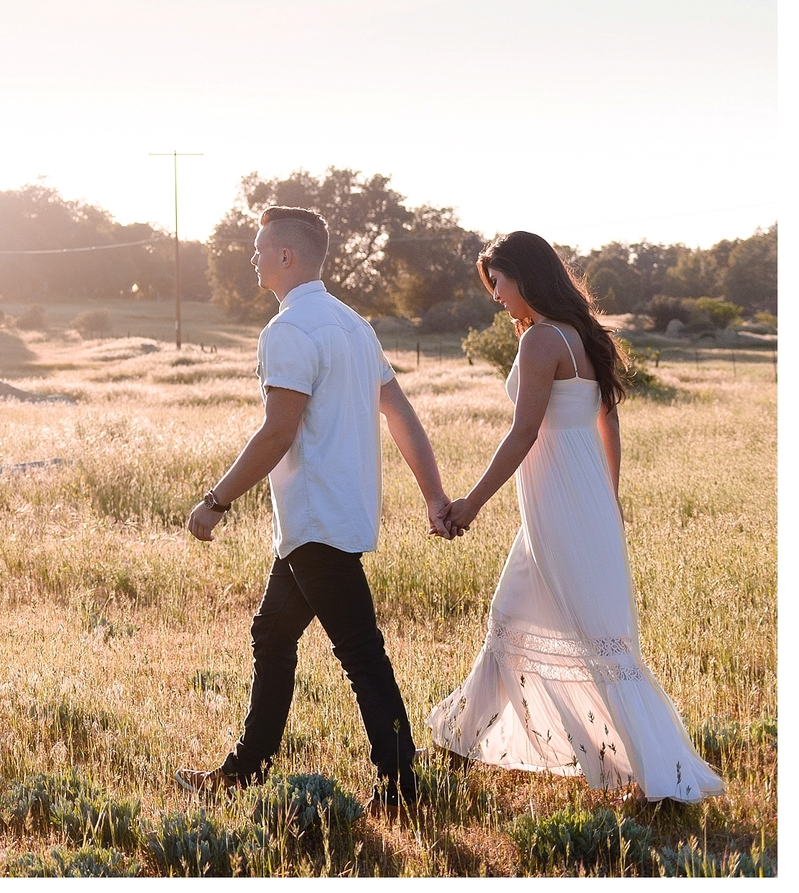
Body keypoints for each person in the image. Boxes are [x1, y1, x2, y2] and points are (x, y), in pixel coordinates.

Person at [425, 232, 722, 801]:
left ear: (524, 276)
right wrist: (607, 498)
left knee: (594, 636)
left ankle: (659, 776)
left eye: (498, 283)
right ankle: (457, 742)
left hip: (559, 498)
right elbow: (609, 424)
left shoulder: (540, 340)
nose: (495, 297)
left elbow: (524, 433)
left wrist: (470, 504)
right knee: (509, 617)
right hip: (580, 495)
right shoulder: (585, 333)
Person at [176, 206, 453, 812]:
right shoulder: (354, 325)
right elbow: (401, 414)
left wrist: (215, 501)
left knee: (360, 653)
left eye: (258, 249)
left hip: (316, 519)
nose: (251, 258)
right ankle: (246, 770)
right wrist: (432, 495)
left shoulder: (289, 331)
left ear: (286, 257)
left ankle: (403, 788)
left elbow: (278, 432)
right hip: (334, 517)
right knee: (272, 633)